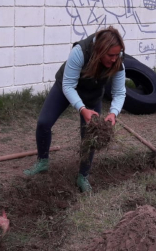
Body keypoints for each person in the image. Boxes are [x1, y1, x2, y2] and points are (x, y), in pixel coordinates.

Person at [23, 27, 126, 193]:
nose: (115, 59)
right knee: (44, 122)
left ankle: (83, 176)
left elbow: (120, 92)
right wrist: (82, 109)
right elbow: (68, 85)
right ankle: (42, 161)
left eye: (117, 55)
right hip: (67, 87)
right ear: (99, 51)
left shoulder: (118, 59)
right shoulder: (80, 51)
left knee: (91, 135)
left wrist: (113, 113)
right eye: (110, 56)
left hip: (92, 94)